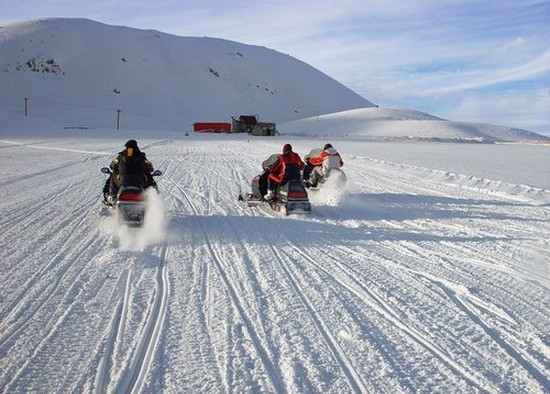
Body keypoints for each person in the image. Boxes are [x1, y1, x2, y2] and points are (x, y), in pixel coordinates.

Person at [102, 139, 155, 204]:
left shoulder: (121, 156)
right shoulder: (141, 156)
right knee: (149, 177)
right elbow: (150, 167)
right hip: (138, 180)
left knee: (113, 175)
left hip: (124, 180)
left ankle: (112, 196)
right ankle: (152, 199)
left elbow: (112, 165)